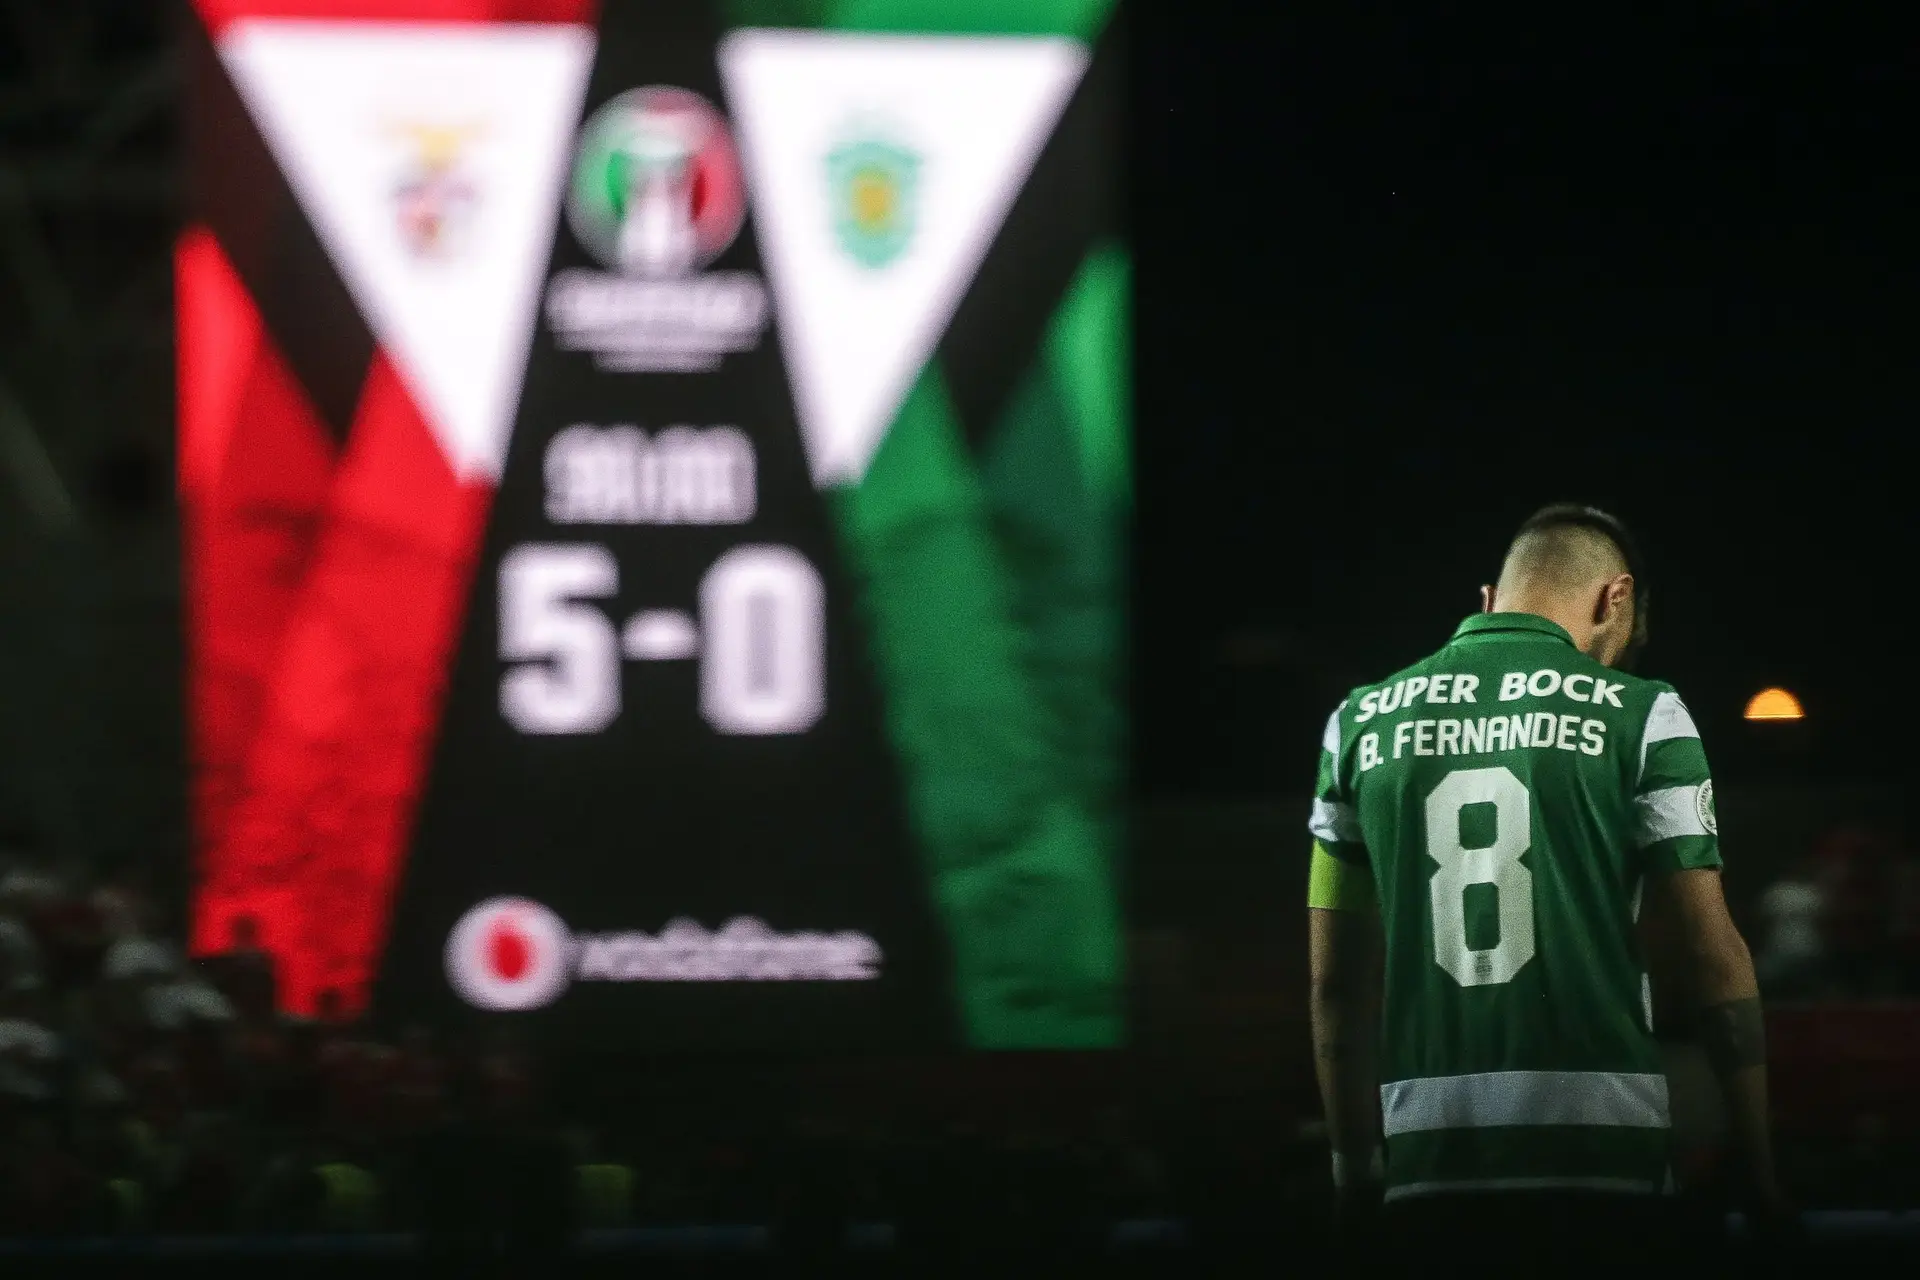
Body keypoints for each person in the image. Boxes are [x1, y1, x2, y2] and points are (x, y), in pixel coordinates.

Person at [1304, 504, 1793, 1266]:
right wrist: (1761, 1176)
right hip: (1607, 1155)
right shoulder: (1645, 714)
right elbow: (1713, 956)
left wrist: (1354, 1174)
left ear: (1489, 601)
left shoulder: (1356, 725)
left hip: (1429, 1164)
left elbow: (1335, 986)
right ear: (1613, 600)